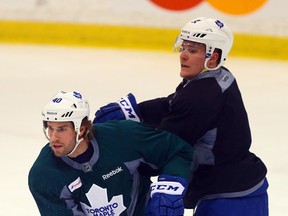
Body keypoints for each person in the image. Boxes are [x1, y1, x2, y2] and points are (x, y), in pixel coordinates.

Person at [93, 17, 269, 216]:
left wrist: (119, 159)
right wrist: (137, 111)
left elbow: (166, 148)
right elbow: (173, 104)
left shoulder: (201, 96)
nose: (183, 55)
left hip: (229, 199)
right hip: (242, 187)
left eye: (192, 50)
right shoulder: (216, 78)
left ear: (213, 57)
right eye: (183, 48)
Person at [28, 90, 194, 216]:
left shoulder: (123, 137)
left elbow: (176, 151)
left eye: (62, 129)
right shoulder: (44, 175)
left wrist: (170, 186)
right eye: (50, 128)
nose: (53, 137)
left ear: (81, 129)